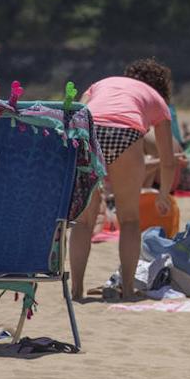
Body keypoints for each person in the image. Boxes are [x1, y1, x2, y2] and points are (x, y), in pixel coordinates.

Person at [68, 58, 177, 301]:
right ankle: (127, 289)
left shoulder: (101, 83)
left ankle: (76, 290)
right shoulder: (157, 100)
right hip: (125, 132)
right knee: (129, 220)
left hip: (90, 130)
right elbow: (168, 160)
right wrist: (163, 194)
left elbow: (77, 115)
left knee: (83, 222)